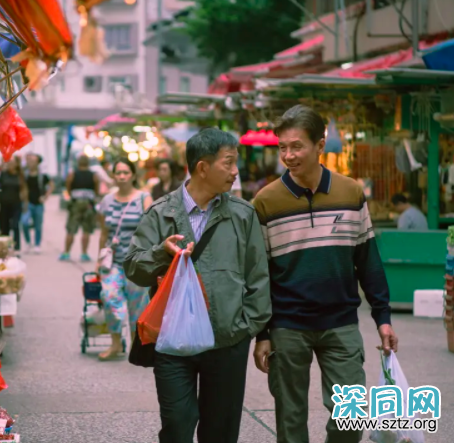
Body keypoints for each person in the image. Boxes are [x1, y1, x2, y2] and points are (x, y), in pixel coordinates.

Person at [252, 105, 398, 443]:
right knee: (291, 421)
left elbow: (368, 260)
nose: (288, 155)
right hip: (288, 326)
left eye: (297, 146)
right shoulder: (265, 202)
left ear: (320, 145)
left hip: (341, 323)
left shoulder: (350, 193)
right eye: (282, 147)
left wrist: (383, 317)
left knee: (352, 414)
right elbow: (259, 274)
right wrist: (262, 333)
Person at [123, 128, 271, 443]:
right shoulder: (161, 212)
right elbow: (134, 269)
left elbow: (259, 277)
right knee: (177, 425)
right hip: (173, 341)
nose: (235, 172)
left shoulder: (243, 215)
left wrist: (246, 328)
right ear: (202, 167)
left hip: (226, 341)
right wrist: (160, 253)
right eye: (228, 163)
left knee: (221, 430)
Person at [96, 158, 153, 360]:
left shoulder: (143, 199)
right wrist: (99, 258)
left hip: (137, 263)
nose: (121, 177)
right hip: (113, 263)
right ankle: (116, 343)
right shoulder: (107, 201)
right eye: (118, 173)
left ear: (133, 175)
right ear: (113, 176)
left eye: (125, 173)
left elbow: (151, 231)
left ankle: (135, 346)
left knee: (137, 306)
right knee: (110, 298)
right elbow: (104, 232)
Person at [61, 155, 99, 262]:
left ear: (78, 163)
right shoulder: (93, 175)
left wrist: (70, 197)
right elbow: (97, 190)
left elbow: (67, 187)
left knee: (71, 229)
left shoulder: (73, 174)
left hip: (76, 203)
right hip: (89, 203)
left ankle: (66, 252)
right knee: (86, 230)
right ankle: (84, 253)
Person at [23, 153, 54, 253]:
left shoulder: (42, 176)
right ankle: (28, 242)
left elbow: (51, 185)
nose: (30, 163)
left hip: (38, 203)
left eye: (32, 161)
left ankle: (37, 244)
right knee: (24, 222)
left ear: (37, 163)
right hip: (28, 203)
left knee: (38, 225)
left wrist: (45, 196)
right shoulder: (25, 174)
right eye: (29, 161)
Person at [0, 156, 27, 252]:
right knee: (4, 226)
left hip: (16, 204)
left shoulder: (20, 175)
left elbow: (24, 189)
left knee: (15, 225)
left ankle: (17, 247)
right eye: (9, 162)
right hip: (4, 203)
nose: (10, 164)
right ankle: (5, 247)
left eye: (12, 162)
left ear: (16, 164)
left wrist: (25, 202)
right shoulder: (3, 174)